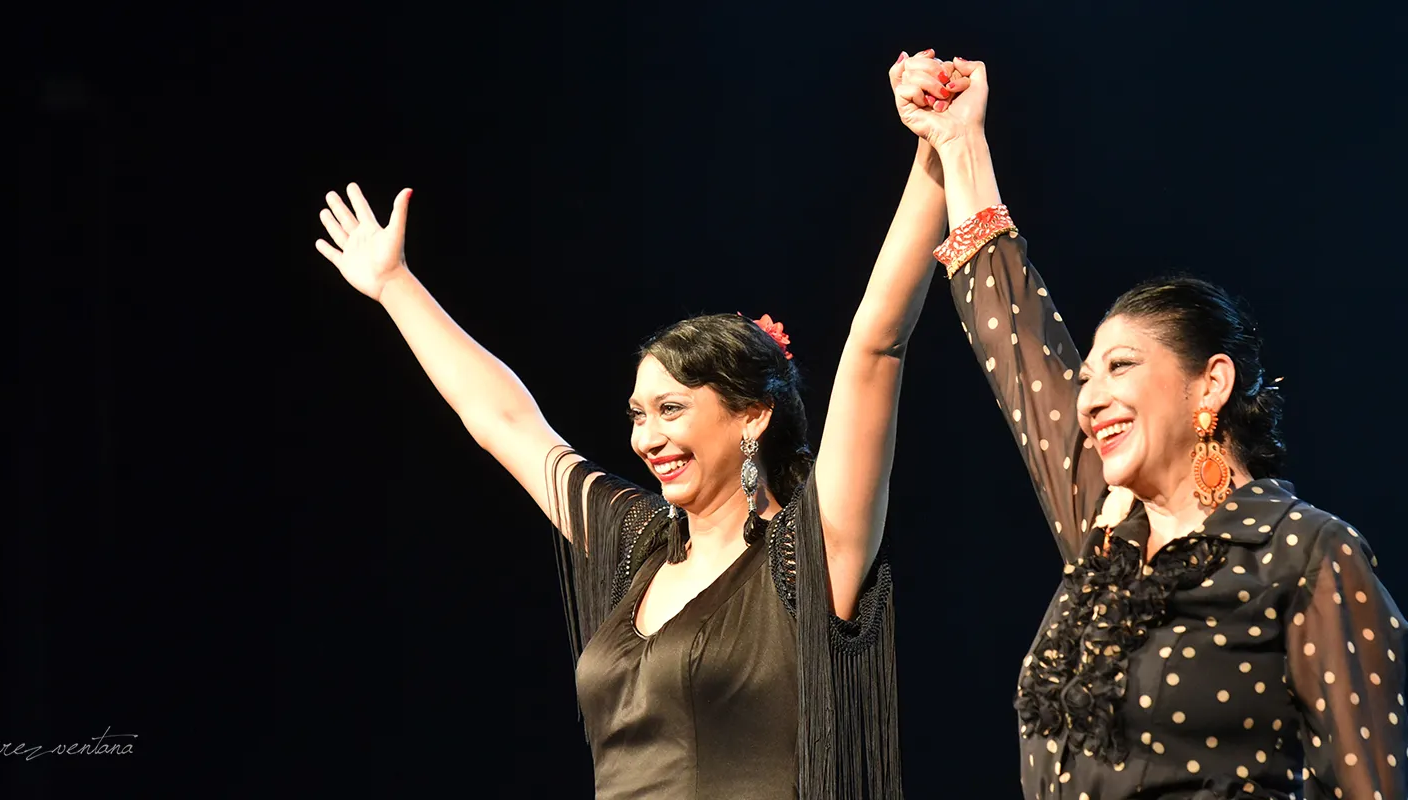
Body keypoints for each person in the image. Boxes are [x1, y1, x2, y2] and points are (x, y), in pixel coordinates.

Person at [309, 50, 974, 798]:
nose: (645, 438)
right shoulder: (639, 547)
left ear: (752, 417)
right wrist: (394, 285)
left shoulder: (810, 552)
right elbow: (505, 421)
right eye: (637, 415)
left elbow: (876, 344)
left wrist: (936, 147)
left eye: (671, 409)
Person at [921, 58, 1408, 799]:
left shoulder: (1306, 554)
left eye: (1119, 367)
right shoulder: (1107, 536)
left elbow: (1367, 786)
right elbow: (1017, 346)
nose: (1089, 399)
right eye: (1085, 380)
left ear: (1210, 383)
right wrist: (960, 141)